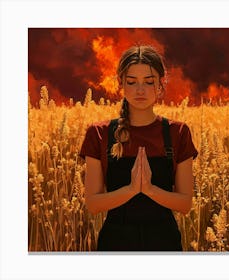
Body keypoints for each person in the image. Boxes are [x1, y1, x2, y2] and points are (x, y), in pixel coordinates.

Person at [80, 45, 198, 251]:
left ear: (161, 86)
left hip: (164, 243)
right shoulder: (99, 133)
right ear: (121, 84)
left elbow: (185, 204)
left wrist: (149, 190)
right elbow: (93, 204)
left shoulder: (178, 132)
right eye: (132, 82)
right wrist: (132, 190)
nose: (140, 90)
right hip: (115, 244)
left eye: (149, 82)